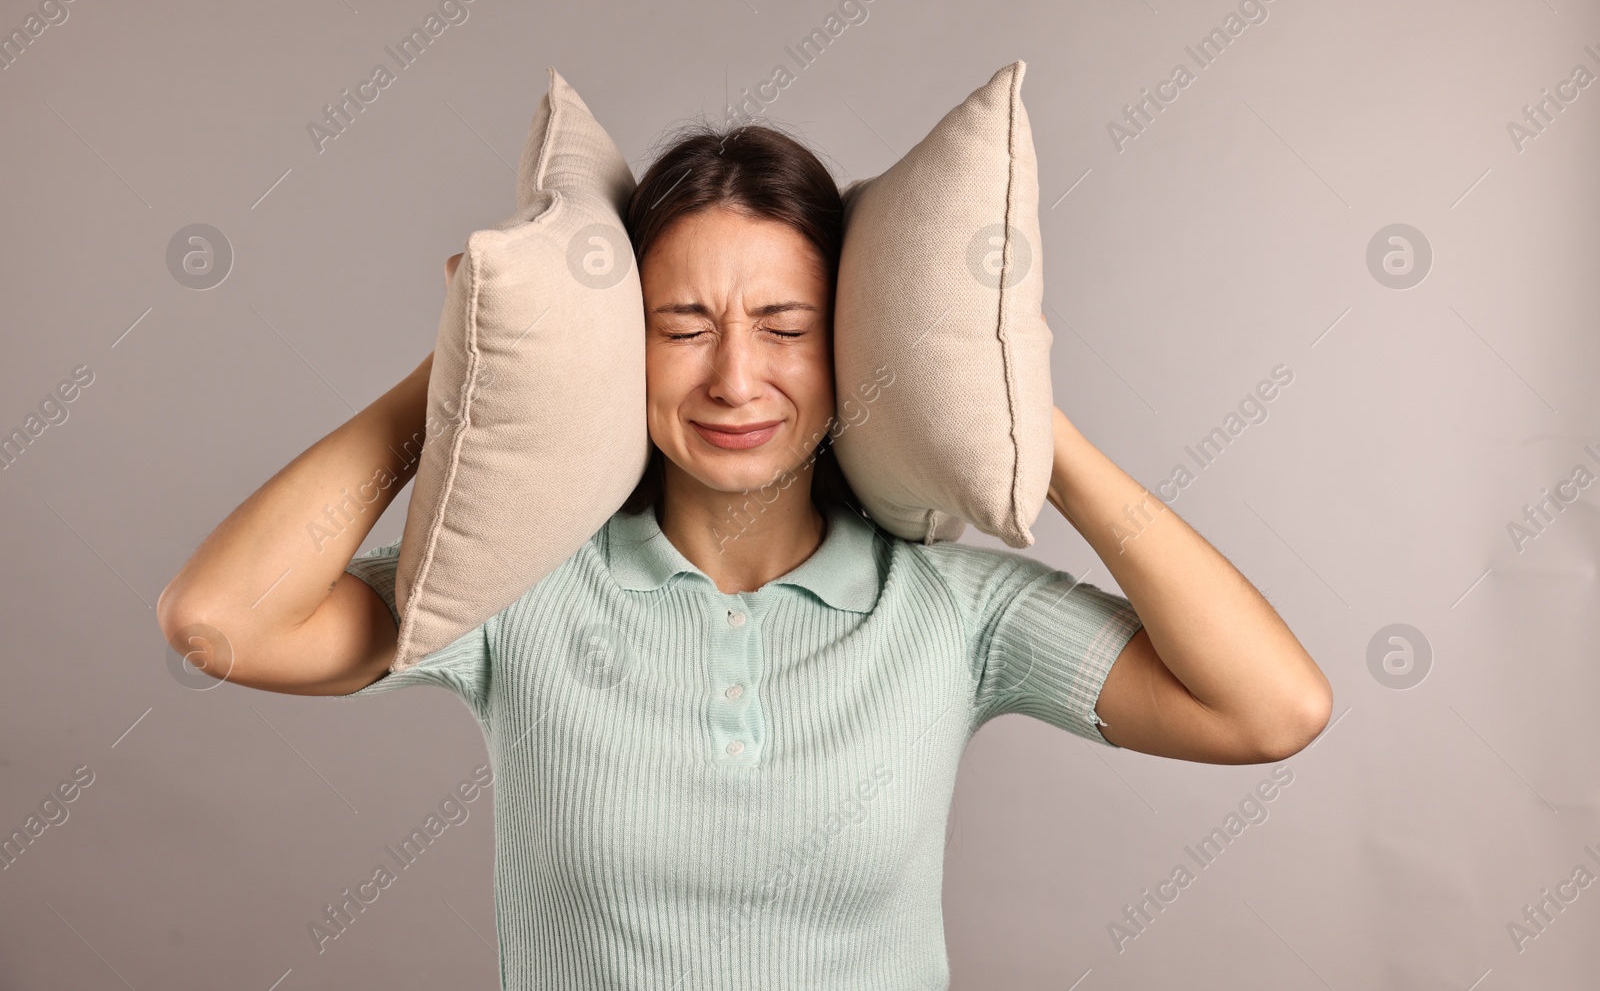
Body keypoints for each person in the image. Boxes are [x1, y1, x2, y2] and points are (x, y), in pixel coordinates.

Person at [157, 120, 1332, 989]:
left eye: (786, 327)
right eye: (681, 326)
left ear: (854, 341)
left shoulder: (951, 612)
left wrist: (1017, 407)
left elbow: (1271, 708)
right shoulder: (520, 588)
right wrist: (465, 369)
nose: (733, 378)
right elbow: (222, 621)